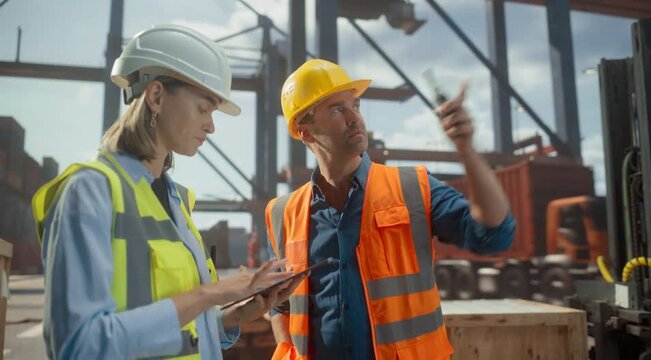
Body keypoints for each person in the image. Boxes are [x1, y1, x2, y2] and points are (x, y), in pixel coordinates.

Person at [32, 24, 302, 359]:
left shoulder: (174, 202)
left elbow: (183, 335)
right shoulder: (90, 192)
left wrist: (232, 316)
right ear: (157, 95)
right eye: (204, 109)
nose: (211, 126)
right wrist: (209, 293)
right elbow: (79, 347)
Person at [265, 59, 516, 360]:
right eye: (336, 109)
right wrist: (286, 349)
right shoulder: (282, 213)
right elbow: (279, 304)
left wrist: (466, 149)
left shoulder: (413, 188)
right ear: (305, 131)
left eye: (354, 105)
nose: (355, 118)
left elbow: (493, 234)